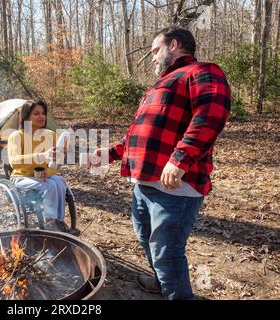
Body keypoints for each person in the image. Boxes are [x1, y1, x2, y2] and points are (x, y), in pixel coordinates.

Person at [92, 27, 231, 300]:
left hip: (175, 188)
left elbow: (212, 114)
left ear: (174, 45)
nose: (152, 58)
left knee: (167, 253)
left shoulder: (201, 71)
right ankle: (160, 282)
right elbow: (139, 134)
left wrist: (180, 158)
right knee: (146, 239)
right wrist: (109, 153)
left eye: (156, 50)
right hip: (144, 184)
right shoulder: (159, 86)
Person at [7, 100, 76, 234]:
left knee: (59, 181)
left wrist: (57, 159)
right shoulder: (16, 136)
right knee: (49, 185)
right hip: (22, 177)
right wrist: (42, 156)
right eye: (36, 113)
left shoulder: (50, 135)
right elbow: (14, 162)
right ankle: (50, 222)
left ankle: (58, 221)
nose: (41, 117)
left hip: (43, 176)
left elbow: (56, 166)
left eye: (43, 113)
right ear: (27, 116)